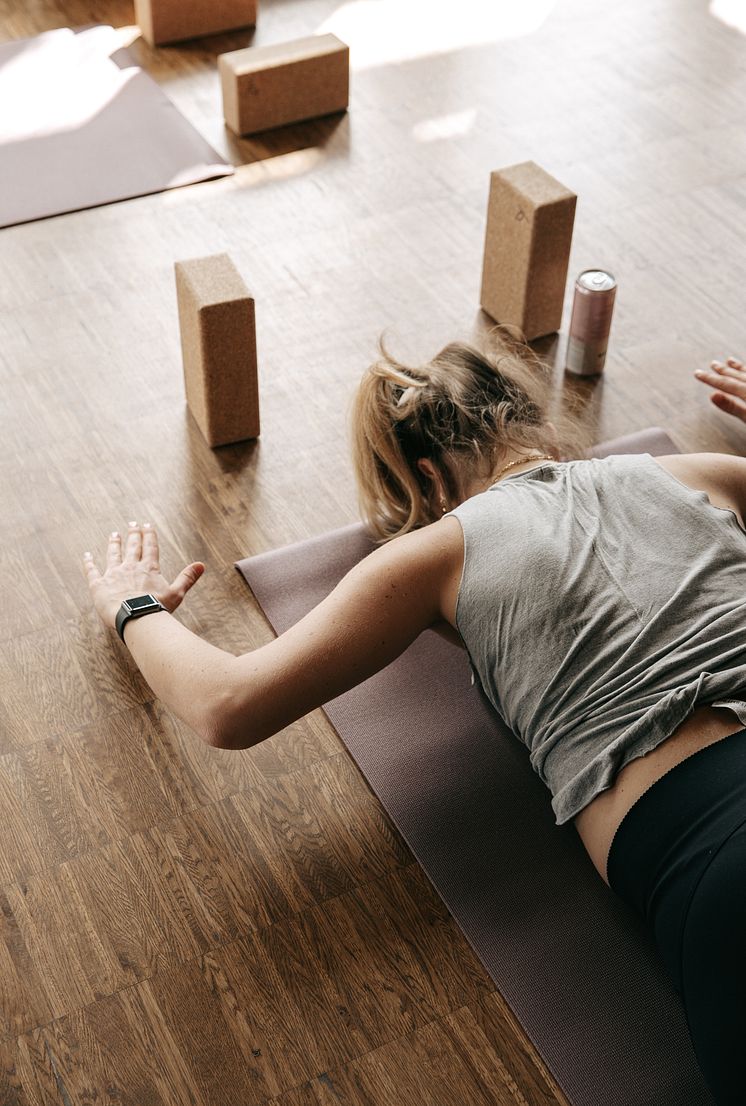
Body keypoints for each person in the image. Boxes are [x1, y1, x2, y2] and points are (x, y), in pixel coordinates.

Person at [83, 336, 746, 1106]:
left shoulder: (435, 552)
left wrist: (132, 606)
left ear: (427, 479)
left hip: (711, 848)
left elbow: (226, 705)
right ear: (533, 419)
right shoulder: (709, 474)